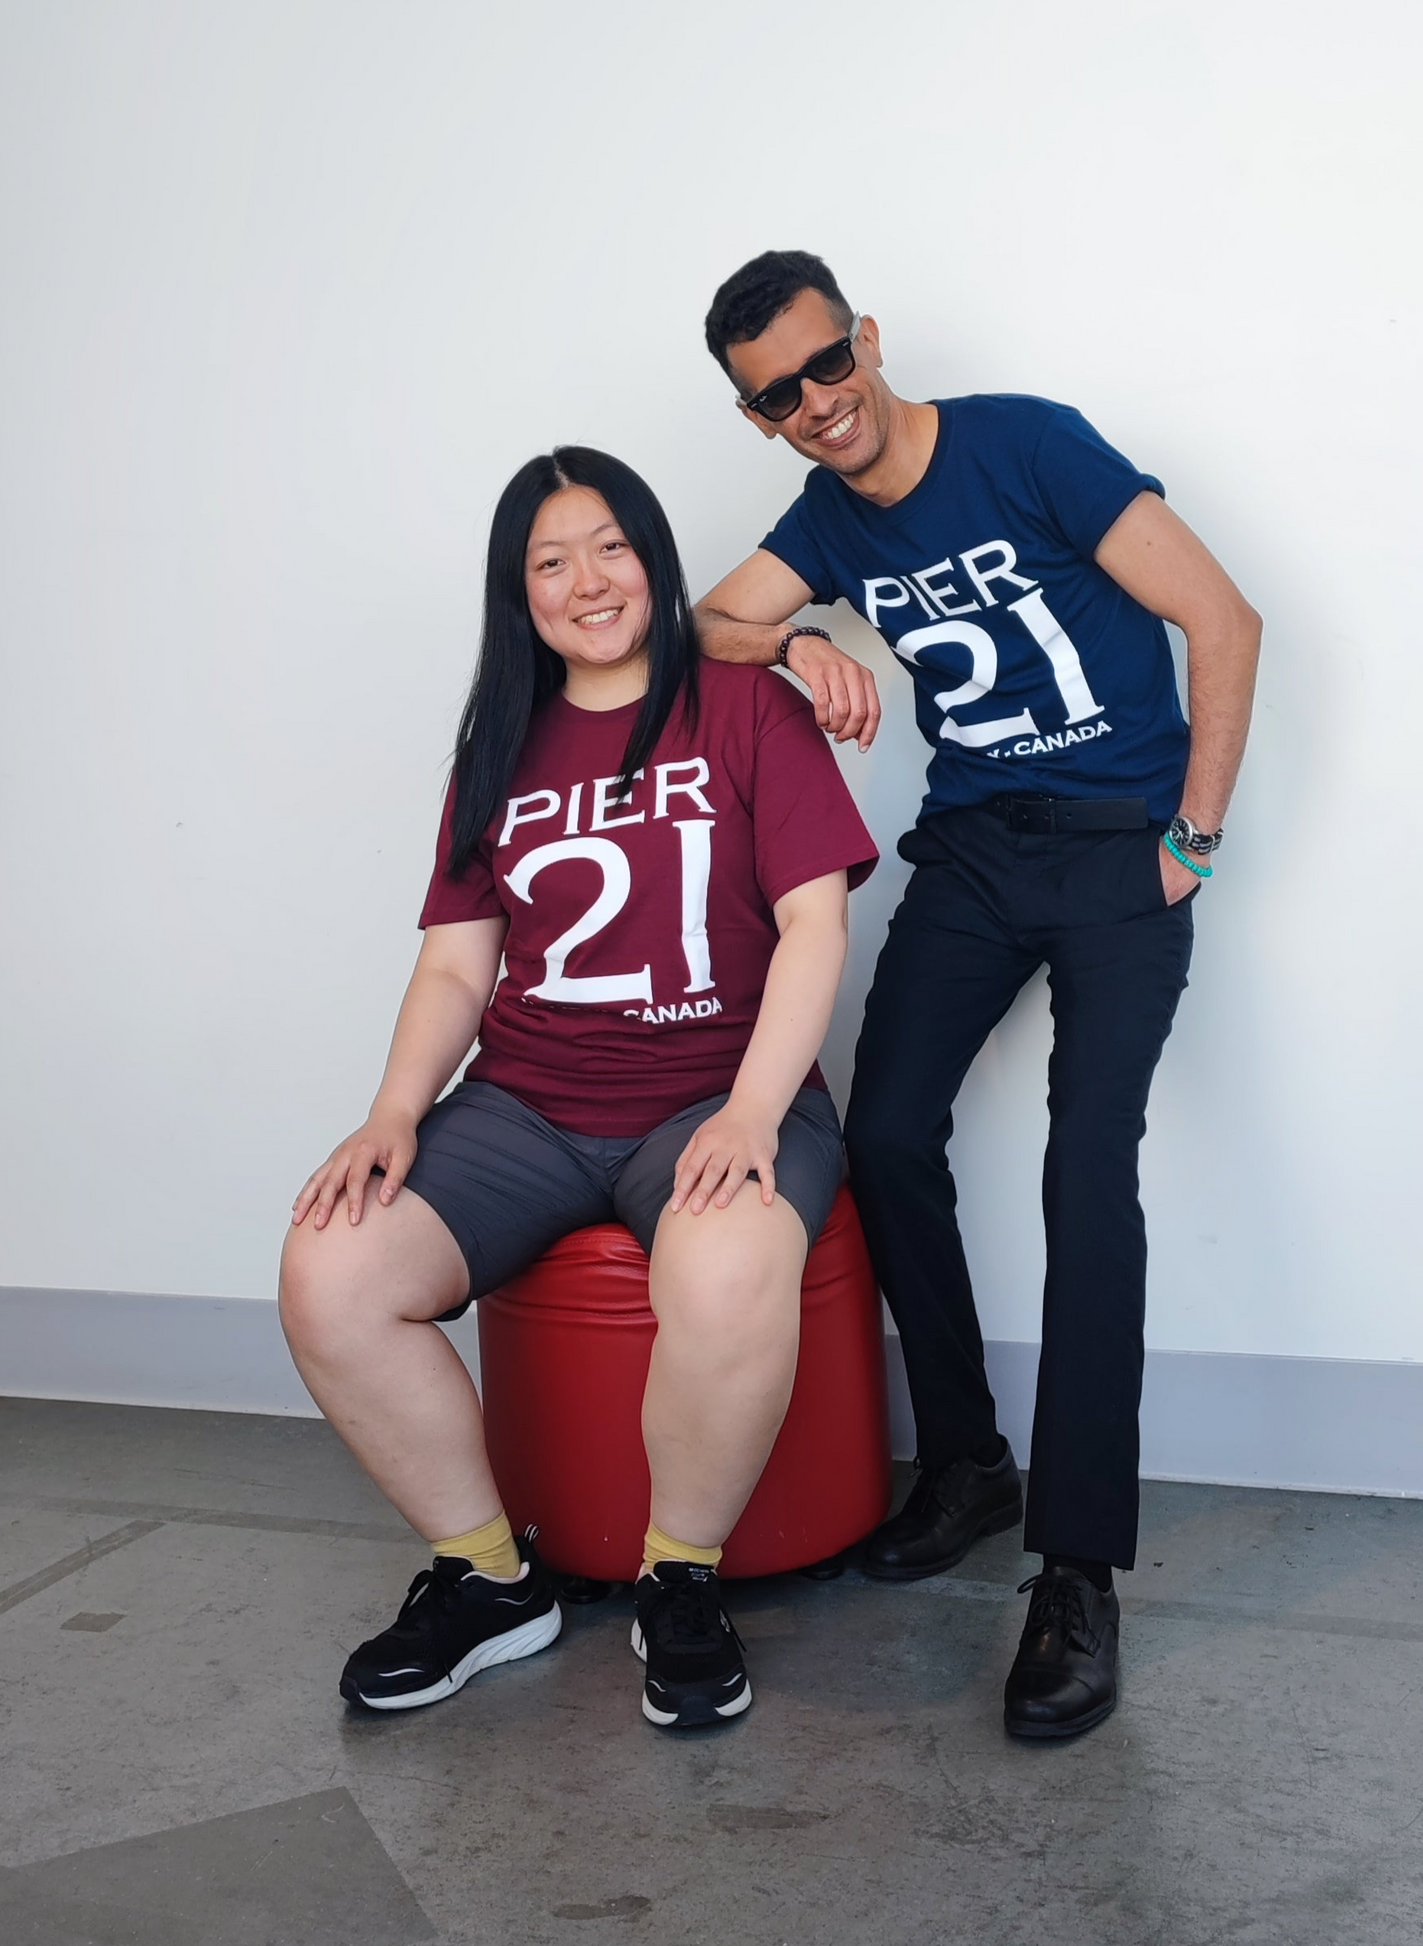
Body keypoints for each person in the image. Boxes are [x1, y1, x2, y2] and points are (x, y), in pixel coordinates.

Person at [694, 251, 1262, 1740]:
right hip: (974, 845)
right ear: (757, 418)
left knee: (1087, 1172)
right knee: (882, 1132)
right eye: (778, 395)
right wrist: (802, 636)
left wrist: (1190, 841)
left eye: (827, 366)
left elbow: (1224, 619)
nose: (817, 404)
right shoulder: (822, 513)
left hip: (1118, 851)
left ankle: (1074, 1570)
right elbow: (709, 623)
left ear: (866, 340)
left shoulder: (1024, 442)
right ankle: (965, 1462)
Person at [278, 445, 877, 1731]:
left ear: (654, 558)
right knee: (330, 1269)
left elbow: (814, 929)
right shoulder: (499, 739)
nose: (585, 580)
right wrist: (393, 1111)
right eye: (548, 561)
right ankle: (490, 1577)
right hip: (528, 1104)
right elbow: (454, 963)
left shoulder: (744, 704)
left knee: (724, 1264)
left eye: (608, 545)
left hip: (715, 1091)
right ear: (519, 594)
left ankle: (679, 1579)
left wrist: (753, 1112)